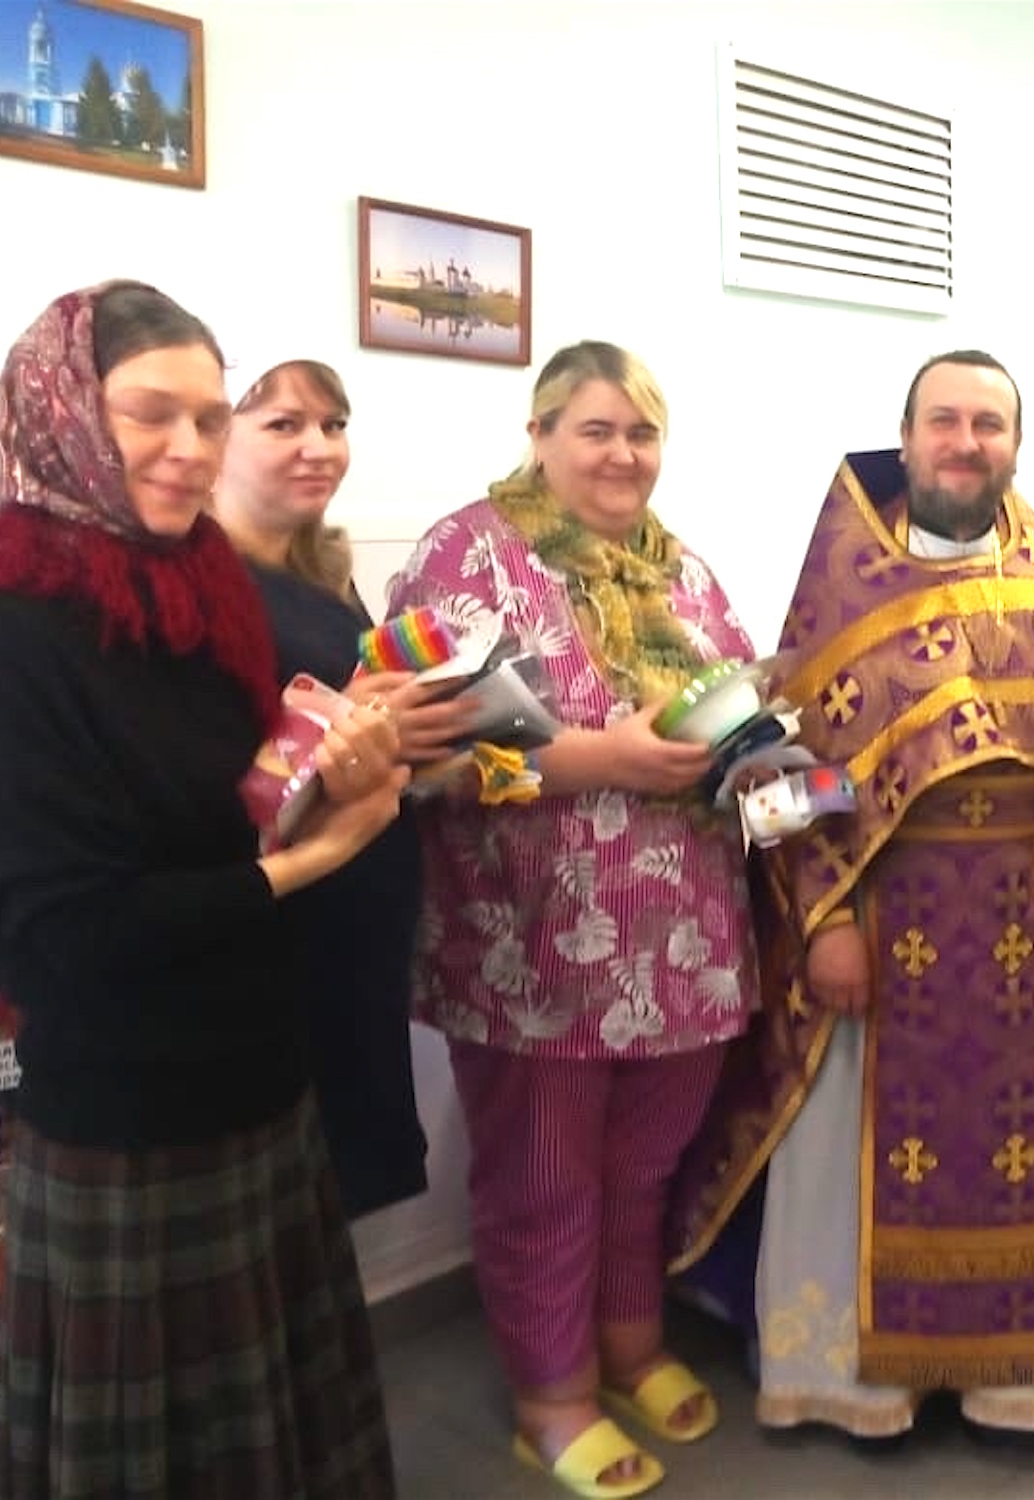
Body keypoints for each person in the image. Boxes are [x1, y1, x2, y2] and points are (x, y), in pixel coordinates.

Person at [669, 350, 1034, 1439]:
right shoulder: (843, 588)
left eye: (988, 424)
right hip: (876, 905)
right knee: (845, 1143)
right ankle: (857, 1382)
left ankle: (1009, 1375)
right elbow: (790, 771)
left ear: (1015, 446)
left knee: (1017, 1144)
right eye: (943, 421)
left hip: (1023, 905)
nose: (964, 442)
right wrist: (824, 921)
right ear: (905, 439)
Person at [0, 282, 406, 1494]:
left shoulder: (201, 582)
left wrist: (326, 776)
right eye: (149, 414)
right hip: (127, 1115)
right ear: (66, 414)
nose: (189, 448)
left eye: (211, 418)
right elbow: (67, 933)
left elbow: (226, 817)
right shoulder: (14, 627)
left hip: (257, 1071)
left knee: (268, 1433)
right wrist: (312, 857)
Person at [388, 341, 759, 1498]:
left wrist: (756, 748)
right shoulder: (467, 557)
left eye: (641, 433)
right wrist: (603, 759)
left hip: (687, 940)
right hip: (533, 943)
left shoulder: (682, 571)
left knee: (643, 1165)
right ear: (539, 434)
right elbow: (425, 760)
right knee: (543, 1178)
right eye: (595, 430)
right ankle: (550, 1398)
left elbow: (738, 694)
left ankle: (630, 1348)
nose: (621, 455)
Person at [215, 350, 472, 1219]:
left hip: (357, 918)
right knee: (279, 1198)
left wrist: (427, 740)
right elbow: (220, 776)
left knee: (334, 1200)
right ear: (216, 439)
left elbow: (356, 724)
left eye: (333, 424)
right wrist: (345, 737)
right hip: (281, 929)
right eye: (283, 424)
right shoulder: (205, 585)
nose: (319, 447)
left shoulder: (320, 571)